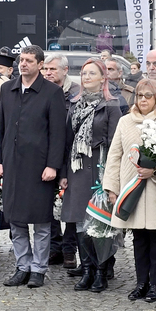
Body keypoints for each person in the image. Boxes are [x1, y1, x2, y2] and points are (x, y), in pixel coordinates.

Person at [104, 78, 156, 303]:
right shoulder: (125, 121)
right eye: (139, 95)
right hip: (132, 189)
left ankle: (155, 285)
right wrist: (112, 187)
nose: (142, 100)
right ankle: (141, 283)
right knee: (138, 238)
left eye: (147, 96)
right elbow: (115, 155)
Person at [0, 45, 67, 289]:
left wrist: (53, 166)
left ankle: (38, 269)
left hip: (39, 167)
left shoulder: (52, 92)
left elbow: (58, 134)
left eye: (28, 60)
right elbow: (1, 128)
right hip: (12, 163)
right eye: (21, 60)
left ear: (40, 65)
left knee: (41, 222)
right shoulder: (7, 89)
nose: (23, 64)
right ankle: (22, 266)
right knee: (16, 219)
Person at [61, 58, 121, 292]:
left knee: (99, 223)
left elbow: (117, 144)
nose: (86, 77)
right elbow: (68, 141)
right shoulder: (75, 105)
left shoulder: (111, 105)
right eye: (83, 73)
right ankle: (87, 271)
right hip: (77, 169)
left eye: (91, 73)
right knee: (79, 224)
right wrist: (64, 173)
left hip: (100, 169)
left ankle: (101, 272)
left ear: (103, 78)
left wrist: (111, 178)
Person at [42, 51, 80, 267]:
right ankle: (54, 247)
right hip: (47, 155)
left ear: (65, 71)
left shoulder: (76, 93)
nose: (48, 73)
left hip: (71, 156)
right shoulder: (43, 91)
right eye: (45, 69)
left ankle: (69, 249)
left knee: (70, 205)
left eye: (52, 69)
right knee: (50, 205)